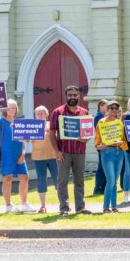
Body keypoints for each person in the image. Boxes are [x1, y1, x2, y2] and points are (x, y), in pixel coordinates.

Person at [0, 97, 34, 213]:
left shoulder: (19, 123)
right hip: (7, 155)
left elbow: (24, 140)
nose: (12, 109)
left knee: (24, 177)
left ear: (16, 109)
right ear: (5, 109)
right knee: (8, 178)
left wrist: (23, 153)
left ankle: (24, 204)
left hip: (19, 154)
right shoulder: (0, 122)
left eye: (14, 107)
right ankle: (8, 206)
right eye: (10, 107)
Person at [49, 86, 92, 216]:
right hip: (64, 152)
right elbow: (52, 133)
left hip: (80, 151)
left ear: (78, 96)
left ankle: (80, 208)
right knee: (62, 181)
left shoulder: (84, 112)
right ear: (66, 96)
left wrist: (86, 139)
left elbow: (88, 132)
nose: (72, 97)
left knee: (79, 180)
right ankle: (64, 208)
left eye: (75, 95)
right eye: (70, 95)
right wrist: (56, 151)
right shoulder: (58, 112)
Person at [94, 101, 128, 213]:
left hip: (119, 153)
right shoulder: (101, 122)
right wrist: (101, 146)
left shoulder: (119, 123)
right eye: (111, 108)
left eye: (116, 108)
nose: (113, 110)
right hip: (107, 153)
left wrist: (120, 142)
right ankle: (105, 207)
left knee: (115, 181)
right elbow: (97, 143)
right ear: (107, 109)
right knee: (111, 180)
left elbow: (124, 141)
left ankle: (113, 206)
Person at [31, 105, 58, 213]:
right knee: (41, 181)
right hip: (38, 157)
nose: (40, 115)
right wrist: (17, 131)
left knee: (58, 180)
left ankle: (63, 204)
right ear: (35, 115)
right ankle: (43, 206)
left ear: (46, 114)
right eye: (38, 113)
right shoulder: (31, 126)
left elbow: (58, 137)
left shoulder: (51, 125)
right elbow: (25, 139)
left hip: (53, 156)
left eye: (42, 113)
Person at [92, 99, 108, 196]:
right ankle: (98, 187)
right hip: (101, 145)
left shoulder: (102, 116)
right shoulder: (98, 117)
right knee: (101, 167)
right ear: (101, 106)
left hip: (105, 145)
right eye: (106, 106)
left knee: (104, 166)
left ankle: (103, 186)